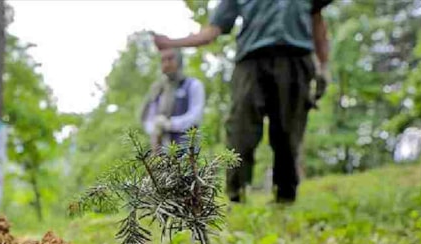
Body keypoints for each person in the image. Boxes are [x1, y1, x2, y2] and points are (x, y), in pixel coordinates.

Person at [154, 0, 332, 203]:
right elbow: (213, 30)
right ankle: (237, 196)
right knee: (241, 131)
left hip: (296, 58)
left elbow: (317, 19)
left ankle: (285, 198)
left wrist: (324, 65)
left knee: (288, 132)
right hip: (250, 62)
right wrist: (172, 43)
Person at [140, 49, 205, 154]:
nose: (166, 64)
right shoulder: (157, 90)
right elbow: (148, 119)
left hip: (187, 152)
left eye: (170, 59)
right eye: (163, 60)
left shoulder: (193, 85)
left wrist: (170, 124)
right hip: (161, 152)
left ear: (179, 61)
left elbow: (195, 117)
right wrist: (155, 127)